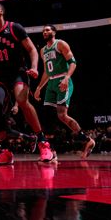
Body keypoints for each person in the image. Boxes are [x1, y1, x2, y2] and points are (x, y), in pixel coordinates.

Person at [0, 1, 52, 165]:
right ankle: (6, 151)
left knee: (22, 101)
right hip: (0, 75)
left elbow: (31, 49)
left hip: (18, 73)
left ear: (1, 11)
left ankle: (44, 143)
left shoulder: (15, 28)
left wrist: (35, 67)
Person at [33, 25, 95, 159]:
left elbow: (73, 62)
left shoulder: (60, 44)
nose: (45, 32)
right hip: (51, 83)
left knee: (61, 115)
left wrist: (67, 78)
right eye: (43, 30)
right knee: (47, 117)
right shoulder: (42, 50)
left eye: (48, 30)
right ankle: (52, 152)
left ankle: (87, 140)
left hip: (63, 80)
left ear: (54, 32)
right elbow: (46, 72)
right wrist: (39, 88)